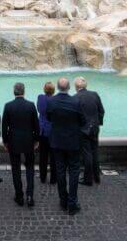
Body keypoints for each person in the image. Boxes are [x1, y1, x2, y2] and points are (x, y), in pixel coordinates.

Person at [46, 77, 84, 215]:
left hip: (57, 141)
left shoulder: (51, 101)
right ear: (68, 88)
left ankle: (63, 200)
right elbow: (82, 120)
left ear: (57, 87)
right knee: (74, 172)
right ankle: (72, 203)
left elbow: (49, 118)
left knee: (60, 171)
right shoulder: (76, 101)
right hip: (73, 142)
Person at [2, 82, 40, 207]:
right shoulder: (31, 105)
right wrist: (36, 140)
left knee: (16, 169)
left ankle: (19, 196)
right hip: (29, 141)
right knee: (30, 168)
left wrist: (6, 141)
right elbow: (36, 125)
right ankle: (30, 196)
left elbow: (4, 127)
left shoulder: (8, 106)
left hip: (13, 141)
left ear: (14, 92)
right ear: (24, 91)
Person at [74, 76, 105, 186]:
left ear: (76, 87)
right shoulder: (95, 94)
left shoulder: (75, 97)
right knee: (95, 151)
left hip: (83, 130)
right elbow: (102, 111)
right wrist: (98, 123)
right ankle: (97, 177)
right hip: (95, 128)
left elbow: (75, 116)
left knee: (87, 154)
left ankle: (88, 179)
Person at [36, 82, 57, 184]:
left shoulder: (40, 97)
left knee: (43, 156)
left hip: (42, 130)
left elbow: (39, 109)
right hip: (53, 131)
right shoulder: (56, 99)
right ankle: (53, 178)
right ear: (53, 90)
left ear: (44, 89)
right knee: (54, 156)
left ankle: (43, 177)